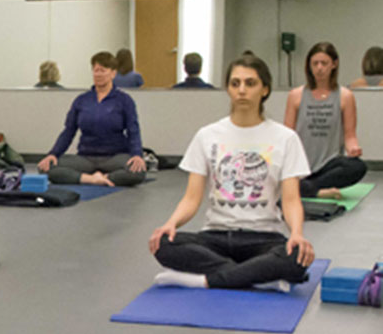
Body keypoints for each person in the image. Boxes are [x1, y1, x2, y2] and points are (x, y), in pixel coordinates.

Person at [148, 53, 315, 292]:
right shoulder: (207, 135)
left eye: (250, 83)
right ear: (228, 89)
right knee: (163, 244)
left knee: (296, 255)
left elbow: (290, 200)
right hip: (215, 236)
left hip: (263, 237)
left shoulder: (285, 138)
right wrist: (171, 223)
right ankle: (258, 275)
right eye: (235, 83)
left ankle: (204, 280)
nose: (242, 90)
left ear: (265, 90)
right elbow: (192, 197)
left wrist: (297, 233)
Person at [37, 51, 147, 187]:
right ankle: (91, 179)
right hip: (85, 157)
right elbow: (68, 131)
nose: (98, 74)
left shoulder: (124, 100)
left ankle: (105, 177)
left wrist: (137, 155)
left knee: (138, 171)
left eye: (103, 70)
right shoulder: (82, 100)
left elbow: (133, 131)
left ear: (113, 73)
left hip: (115, 156)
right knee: (45, 168)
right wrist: (53, 154)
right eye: (95, 70)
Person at [283, 41, 367, 199]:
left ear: (334, 65)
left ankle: (309, 188)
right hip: (301, 164)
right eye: (315, 63)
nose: (319, 68)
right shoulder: (296, 95)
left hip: (328, 166)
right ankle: (313, 189)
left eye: (324, 63)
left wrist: (354, 148)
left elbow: (350, 135)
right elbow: (287, 134)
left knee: (357, 167)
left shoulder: (345, 96)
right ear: (309, 66)